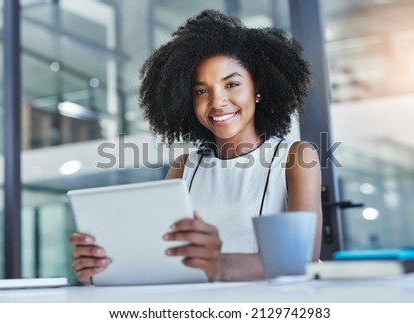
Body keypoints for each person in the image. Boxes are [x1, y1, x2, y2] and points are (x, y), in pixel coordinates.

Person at [69, 9, 322, 284]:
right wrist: (103, 266)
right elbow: (160, 254)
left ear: (258, 89)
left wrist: (221, 265)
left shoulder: (295, 156)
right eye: (202, 91)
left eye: (232, 84)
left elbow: (303, 257)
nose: (217, 102)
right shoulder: (184, 167)